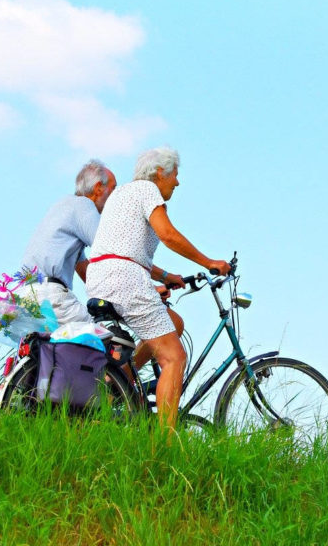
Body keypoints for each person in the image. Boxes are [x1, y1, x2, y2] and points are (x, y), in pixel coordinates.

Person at [86, 147, 230, 429]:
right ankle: (164, 446)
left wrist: (165, 276)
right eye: (175, 175)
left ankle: (120, 383)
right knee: (174, 357)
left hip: (103, 276)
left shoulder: (123, 195)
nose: (177, 182)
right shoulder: (147, 190)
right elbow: (168, 234)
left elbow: (123, 248)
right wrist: (209, 262)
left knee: (173, 323)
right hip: (124, 278)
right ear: (160, 172)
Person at [19, 160, 116, 325]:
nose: (115, 197)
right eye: (113, 189)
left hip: (27, 295)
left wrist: (114, 293)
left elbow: (84, 268)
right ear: (99, 187)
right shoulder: (84, 205)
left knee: (52, 348)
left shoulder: (63, 205)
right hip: (51, 296)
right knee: (103, 340)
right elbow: (111, 249)